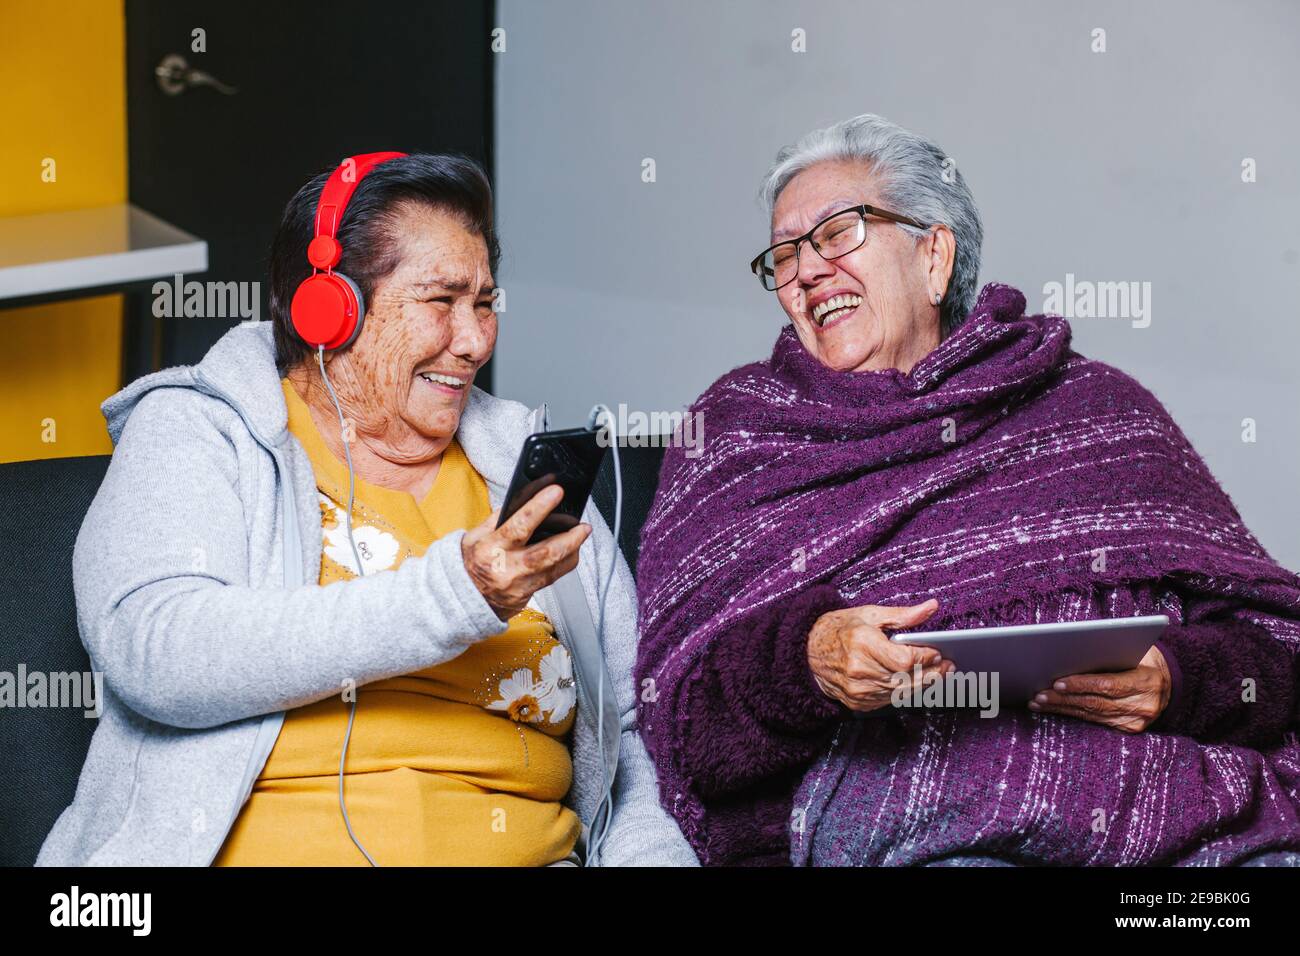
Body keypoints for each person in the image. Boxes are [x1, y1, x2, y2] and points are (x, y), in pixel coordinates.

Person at [635, 114, 1300, 866]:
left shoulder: (1096, 413)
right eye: (785, 254)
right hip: (914, 838)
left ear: (934, 256)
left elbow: (1278, 652)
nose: (808, 270)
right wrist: (808, 661)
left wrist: (1177, 680)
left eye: (838, 233)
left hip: (1183, 829)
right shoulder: (735, 439)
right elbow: (681, 726)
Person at [37, 152, 697, 867]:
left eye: (484, 303)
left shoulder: (518, 465)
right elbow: (157, 653)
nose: (475, 340)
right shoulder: (200, 429)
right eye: (441, 301)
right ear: (329, 309)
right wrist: (457, 593)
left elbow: (630, 736)